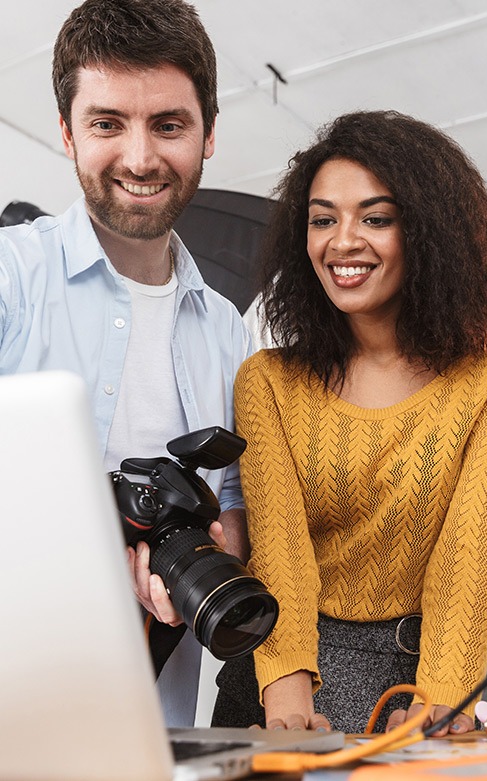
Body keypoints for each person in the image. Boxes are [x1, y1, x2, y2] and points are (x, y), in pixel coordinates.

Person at [212, 110, 487, 734]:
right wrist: (285, 705)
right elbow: (281, 554)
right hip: (284, 674)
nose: (343, 242)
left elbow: (466, 554)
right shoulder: (269, 380)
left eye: (376, 218)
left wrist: (443, 697)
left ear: (429, 231)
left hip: (417, 676)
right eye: (323, 219)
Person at [0, 0, 251, 725]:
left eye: (168, 125)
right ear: (67, 135)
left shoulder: (229, 335)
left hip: (150, 728)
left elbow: (236, 519)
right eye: (107, 123)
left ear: (207, 134)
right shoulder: (14, 279)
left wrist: (200, 544)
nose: (140, 158)